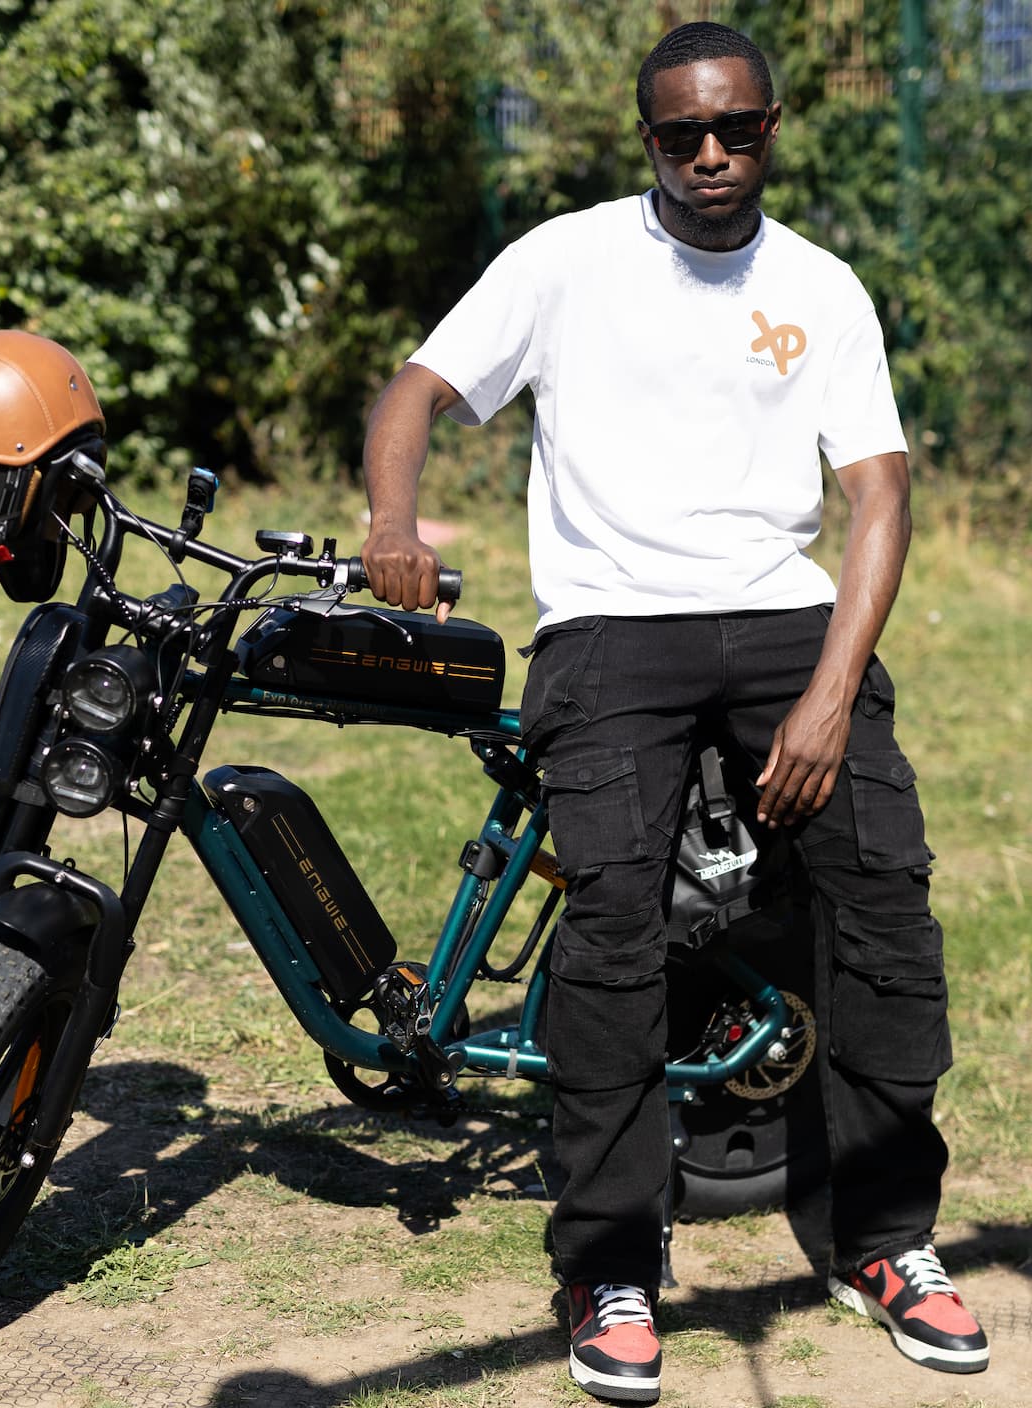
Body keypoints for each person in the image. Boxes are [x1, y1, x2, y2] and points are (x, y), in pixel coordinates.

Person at [359, 21, 987, 1403]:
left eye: (737, 130)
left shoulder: (822, 287)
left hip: (782, 626)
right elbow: (417, 389)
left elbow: (878, 494)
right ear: (646, 138)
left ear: (773, 126)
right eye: (680, 136)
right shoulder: (566, 261)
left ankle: (883, 1241)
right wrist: (391, 518)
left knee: (882, 906)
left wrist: (829, 695)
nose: (710, 155)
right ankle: (609, 1263)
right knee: (612, 934)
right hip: (608, 630)